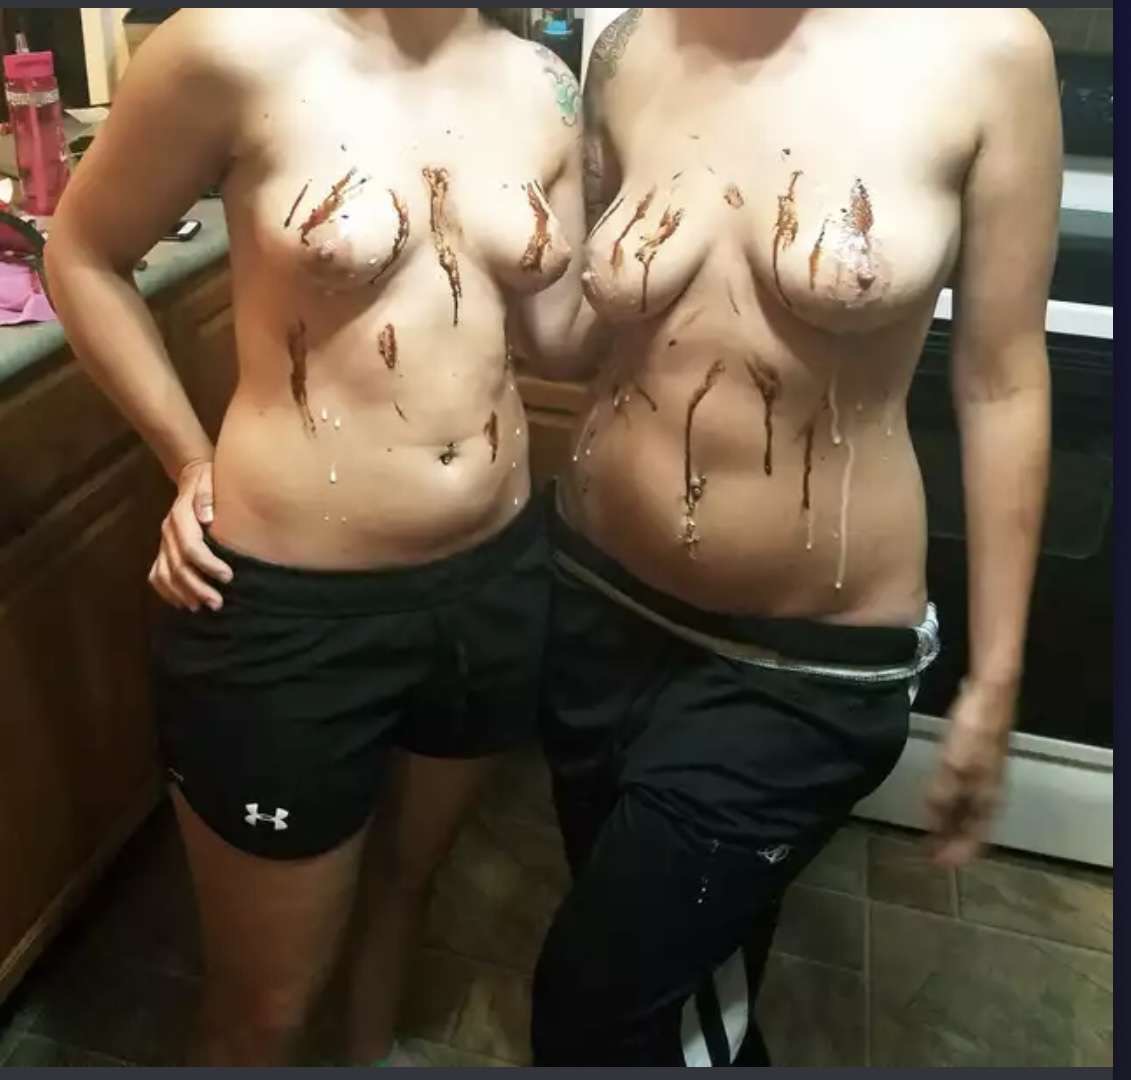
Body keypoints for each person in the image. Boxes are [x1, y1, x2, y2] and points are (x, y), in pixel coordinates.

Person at [44, 7, 593, 1066]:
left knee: (405, 889)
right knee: (265, 1005)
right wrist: (187, 458)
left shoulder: (543, 82)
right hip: (291, 611)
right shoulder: (230, 46)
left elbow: (557, 337)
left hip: (494, 580)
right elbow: (83, 252)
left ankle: (366, 1054)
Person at [532, 7, 1058, 1066]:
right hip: (593, 602)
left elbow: (1001, 383)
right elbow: (582, 335)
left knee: (594, 1005)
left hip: (799, 664)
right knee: (687, 984)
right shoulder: (628, 46)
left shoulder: (985, 52)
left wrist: (997, 677)